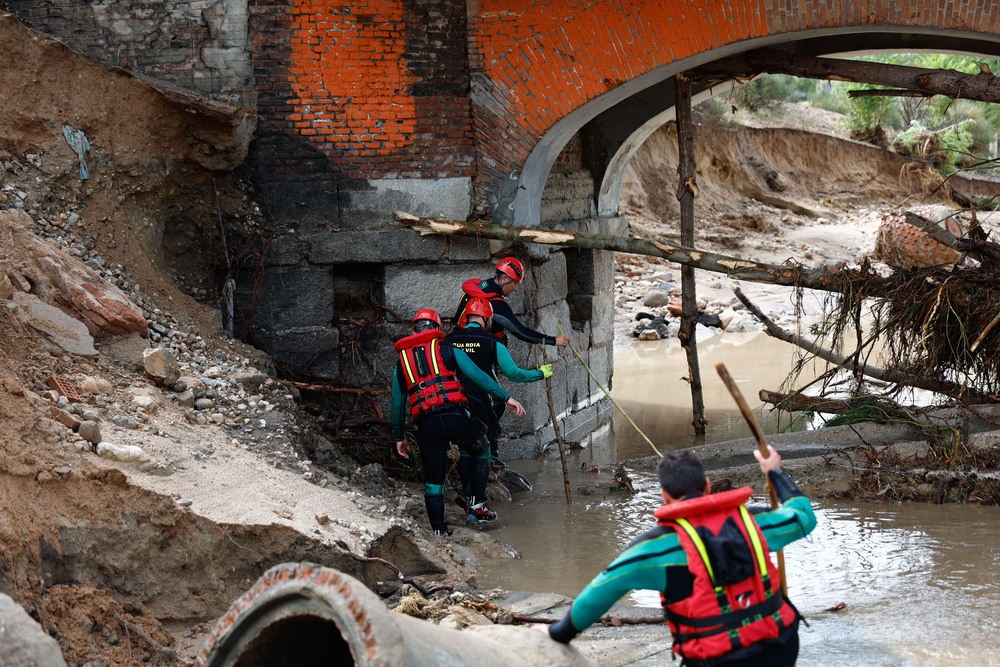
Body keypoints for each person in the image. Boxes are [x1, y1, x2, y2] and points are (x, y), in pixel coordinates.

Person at [537, 446, 816, 667]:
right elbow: (804, 516)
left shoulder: (652, 549)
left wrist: (557, 634)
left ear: (664, 495)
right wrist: (776, 472)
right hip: (781, 646)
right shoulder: (756, 522)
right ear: (707, 486)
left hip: (717, 660)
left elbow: (596, 594)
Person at [391, 308, 526, 535]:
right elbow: (477, 375)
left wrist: (399, 438)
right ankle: (477, 505)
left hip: (428, 427)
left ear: (413, 329)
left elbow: (397, 405)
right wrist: (507, 398)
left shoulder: (401, 363)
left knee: (434, 482)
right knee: (481, 447)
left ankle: (439, 530)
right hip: (456, 418)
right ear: (438, 329)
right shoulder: (449, 350)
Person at [453, 256, 569, 466]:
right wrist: (553, 341)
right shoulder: (495, 303)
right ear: (505, 279)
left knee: (472, 401)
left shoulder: (475, 290)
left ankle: (477, 448)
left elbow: (457, 320)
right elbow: (519, 331)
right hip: (479, 356)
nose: (515, 289)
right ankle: (487, 454)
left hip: (456, 350)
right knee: (495, 402)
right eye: (515, 284)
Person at [444, 296, 552, 499]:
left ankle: (465, 493)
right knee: (482, 449)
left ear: (467, 317)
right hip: (481, 401)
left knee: (466, 448)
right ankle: (479, 497)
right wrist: (541, 373)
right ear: (486, 319)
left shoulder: (447, 340)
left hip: (453, 402)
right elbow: (514, 374)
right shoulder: (493, 342)